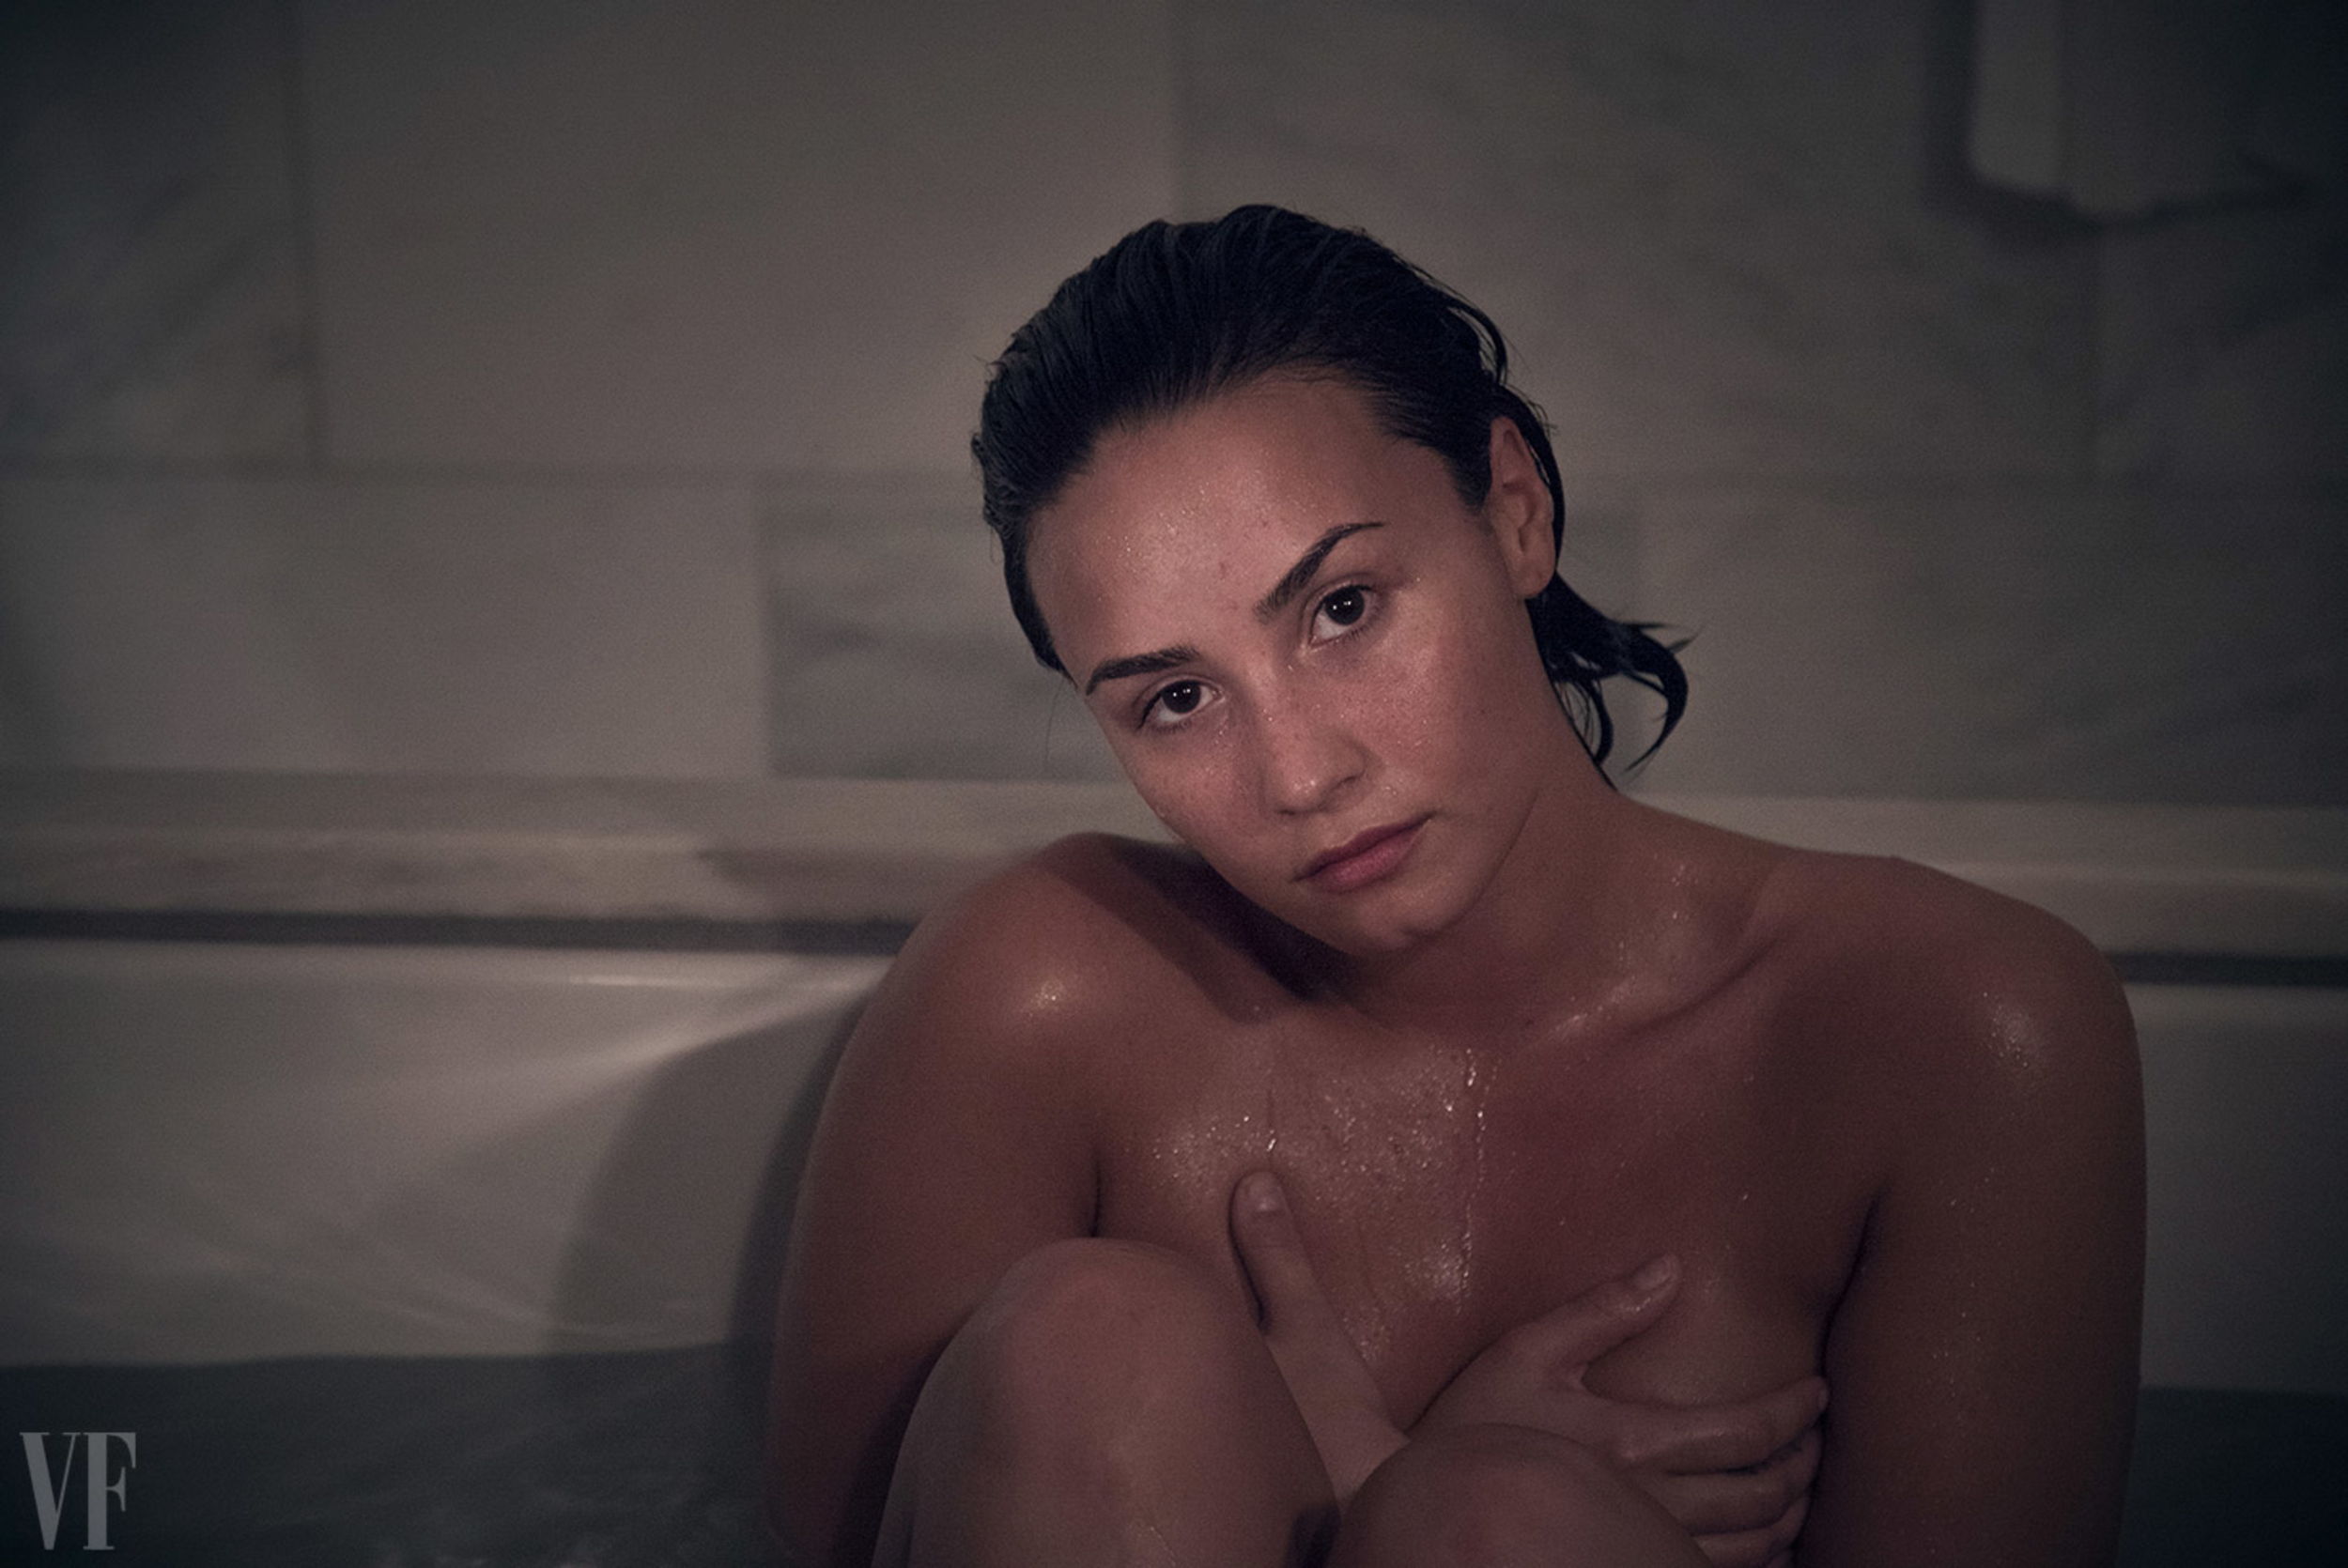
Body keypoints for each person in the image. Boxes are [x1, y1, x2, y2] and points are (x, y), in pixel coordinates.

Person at [765, 206, 2144, 1567]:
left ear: (1515, 512)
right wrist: (1368, 1487)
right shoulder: (1035, 1004)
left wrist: (1446, 1505)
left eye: (1344, 607)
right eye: (1176, 698)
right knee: (1098, 1345)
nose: (1302, 774)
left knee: (1500, 1529)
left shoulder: (1950, 1027)